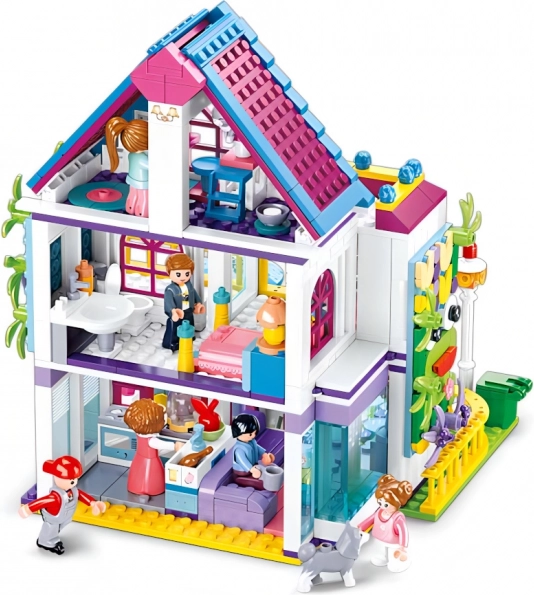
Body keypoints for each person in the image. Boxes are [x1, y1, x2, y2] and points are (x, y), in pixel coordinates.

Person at [18, 455, 106, 555]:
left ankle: (51, 537)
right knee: (51, 527)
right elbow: (42, 501)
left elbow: (81, 495)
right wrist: (28, 509)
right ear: (57, 477)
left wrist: (93, 503)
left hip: (64, 517)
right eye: (69, 479)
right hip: (53, 517)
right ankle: (45, 541)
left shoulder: (73, 490)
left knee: (57, 528)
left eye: (74, 479)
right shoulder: (55, 496)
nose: (73, 482)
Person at [124, 399, 183, 503]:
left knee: (139, 476)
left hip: (140, 460)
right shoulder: (151, 440)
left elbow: (156, 450)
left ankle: (138, 488)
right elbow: (159, 444)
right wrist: (174, 446)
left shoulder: (139, 435)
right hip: (150, 464)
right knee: (151, 479)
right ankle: (147, 490)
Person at [358, 474, 413, 573]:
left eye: (386, 504)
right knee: (382, 550)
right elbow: (371, 519)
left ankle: (401, 561)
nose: (382, 506)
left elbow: (403, 531)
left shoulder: (397, 517)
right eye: (380, 503)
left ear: (397, 503)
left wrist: (403, 545)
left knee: (393, 552)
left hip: (393, 542)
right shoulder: (379, 511)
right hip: (380, 538)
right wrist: (361, 527)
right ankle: (384, 558)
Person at [105, 117, 149, 217]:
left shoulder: (131, 154)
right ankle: (142, 213)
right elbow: (153, 166)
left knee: (133, 194)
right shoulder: (142, 158)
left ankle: (130, 208)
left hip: (132, 179)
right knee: (144, 198)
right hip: (142, 182)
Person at [162, 253, 205, 352]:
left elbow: (193, 293)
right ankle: (172, 343)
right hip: (178, 313)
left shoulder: (189, 285)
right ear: (169, 272)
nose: (183, 277)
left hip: (188, 310)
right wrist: (173, 311)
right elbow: (168, 302)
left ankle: (189, 337)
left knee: (189, 325)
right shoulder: (170, 289)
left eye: (187, 274)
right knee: (174, 328)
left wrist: (198, 303)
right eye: (178, 274)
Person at [231, 413, 275, 490]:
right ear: (238, 433)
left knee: (270, 470)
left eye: (255, 433)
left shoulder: (251, 441)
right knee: (263, 479)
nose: (253, 435)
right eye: (250, 434)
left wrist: (264, 454)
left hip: (254, 465)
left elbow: (257, 448)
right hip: (243, 472)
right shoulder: (239, 449)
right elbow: (243, 461)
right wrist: (252, 469)